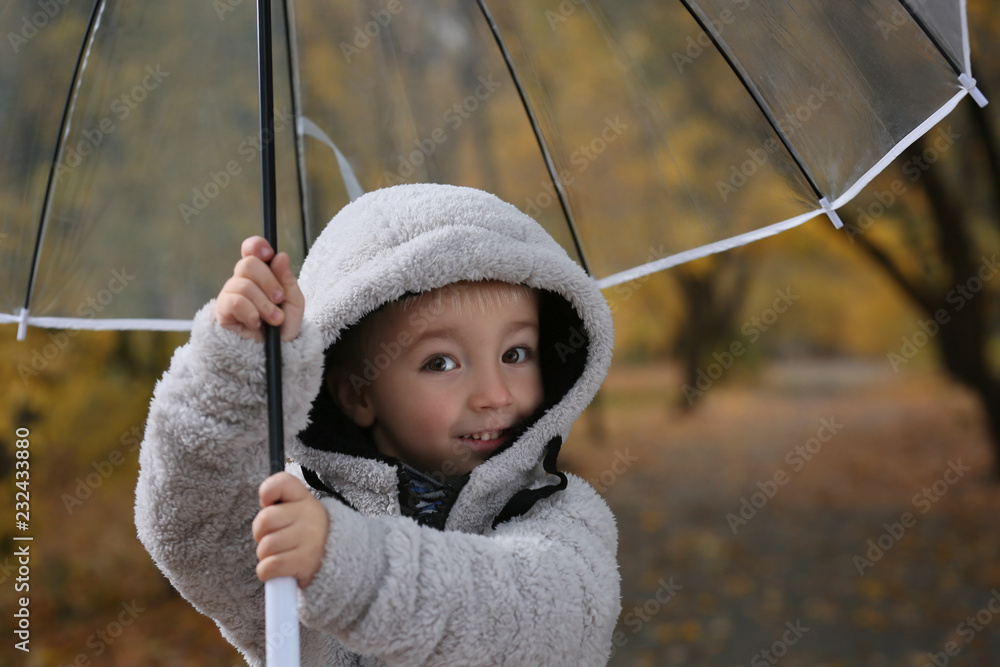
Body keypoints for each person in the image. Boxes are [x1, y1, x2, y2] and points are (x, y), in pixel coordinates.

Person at [135, 183, 619, 666]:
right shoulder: (299, 520)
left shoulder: (562, 518)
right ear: (357, 395)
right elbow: (195, 526)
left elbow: (539, 620)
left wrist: (351, 566)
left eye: (515, 354)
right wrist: (237, 372)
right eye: (441, 363)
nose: (496, 394)